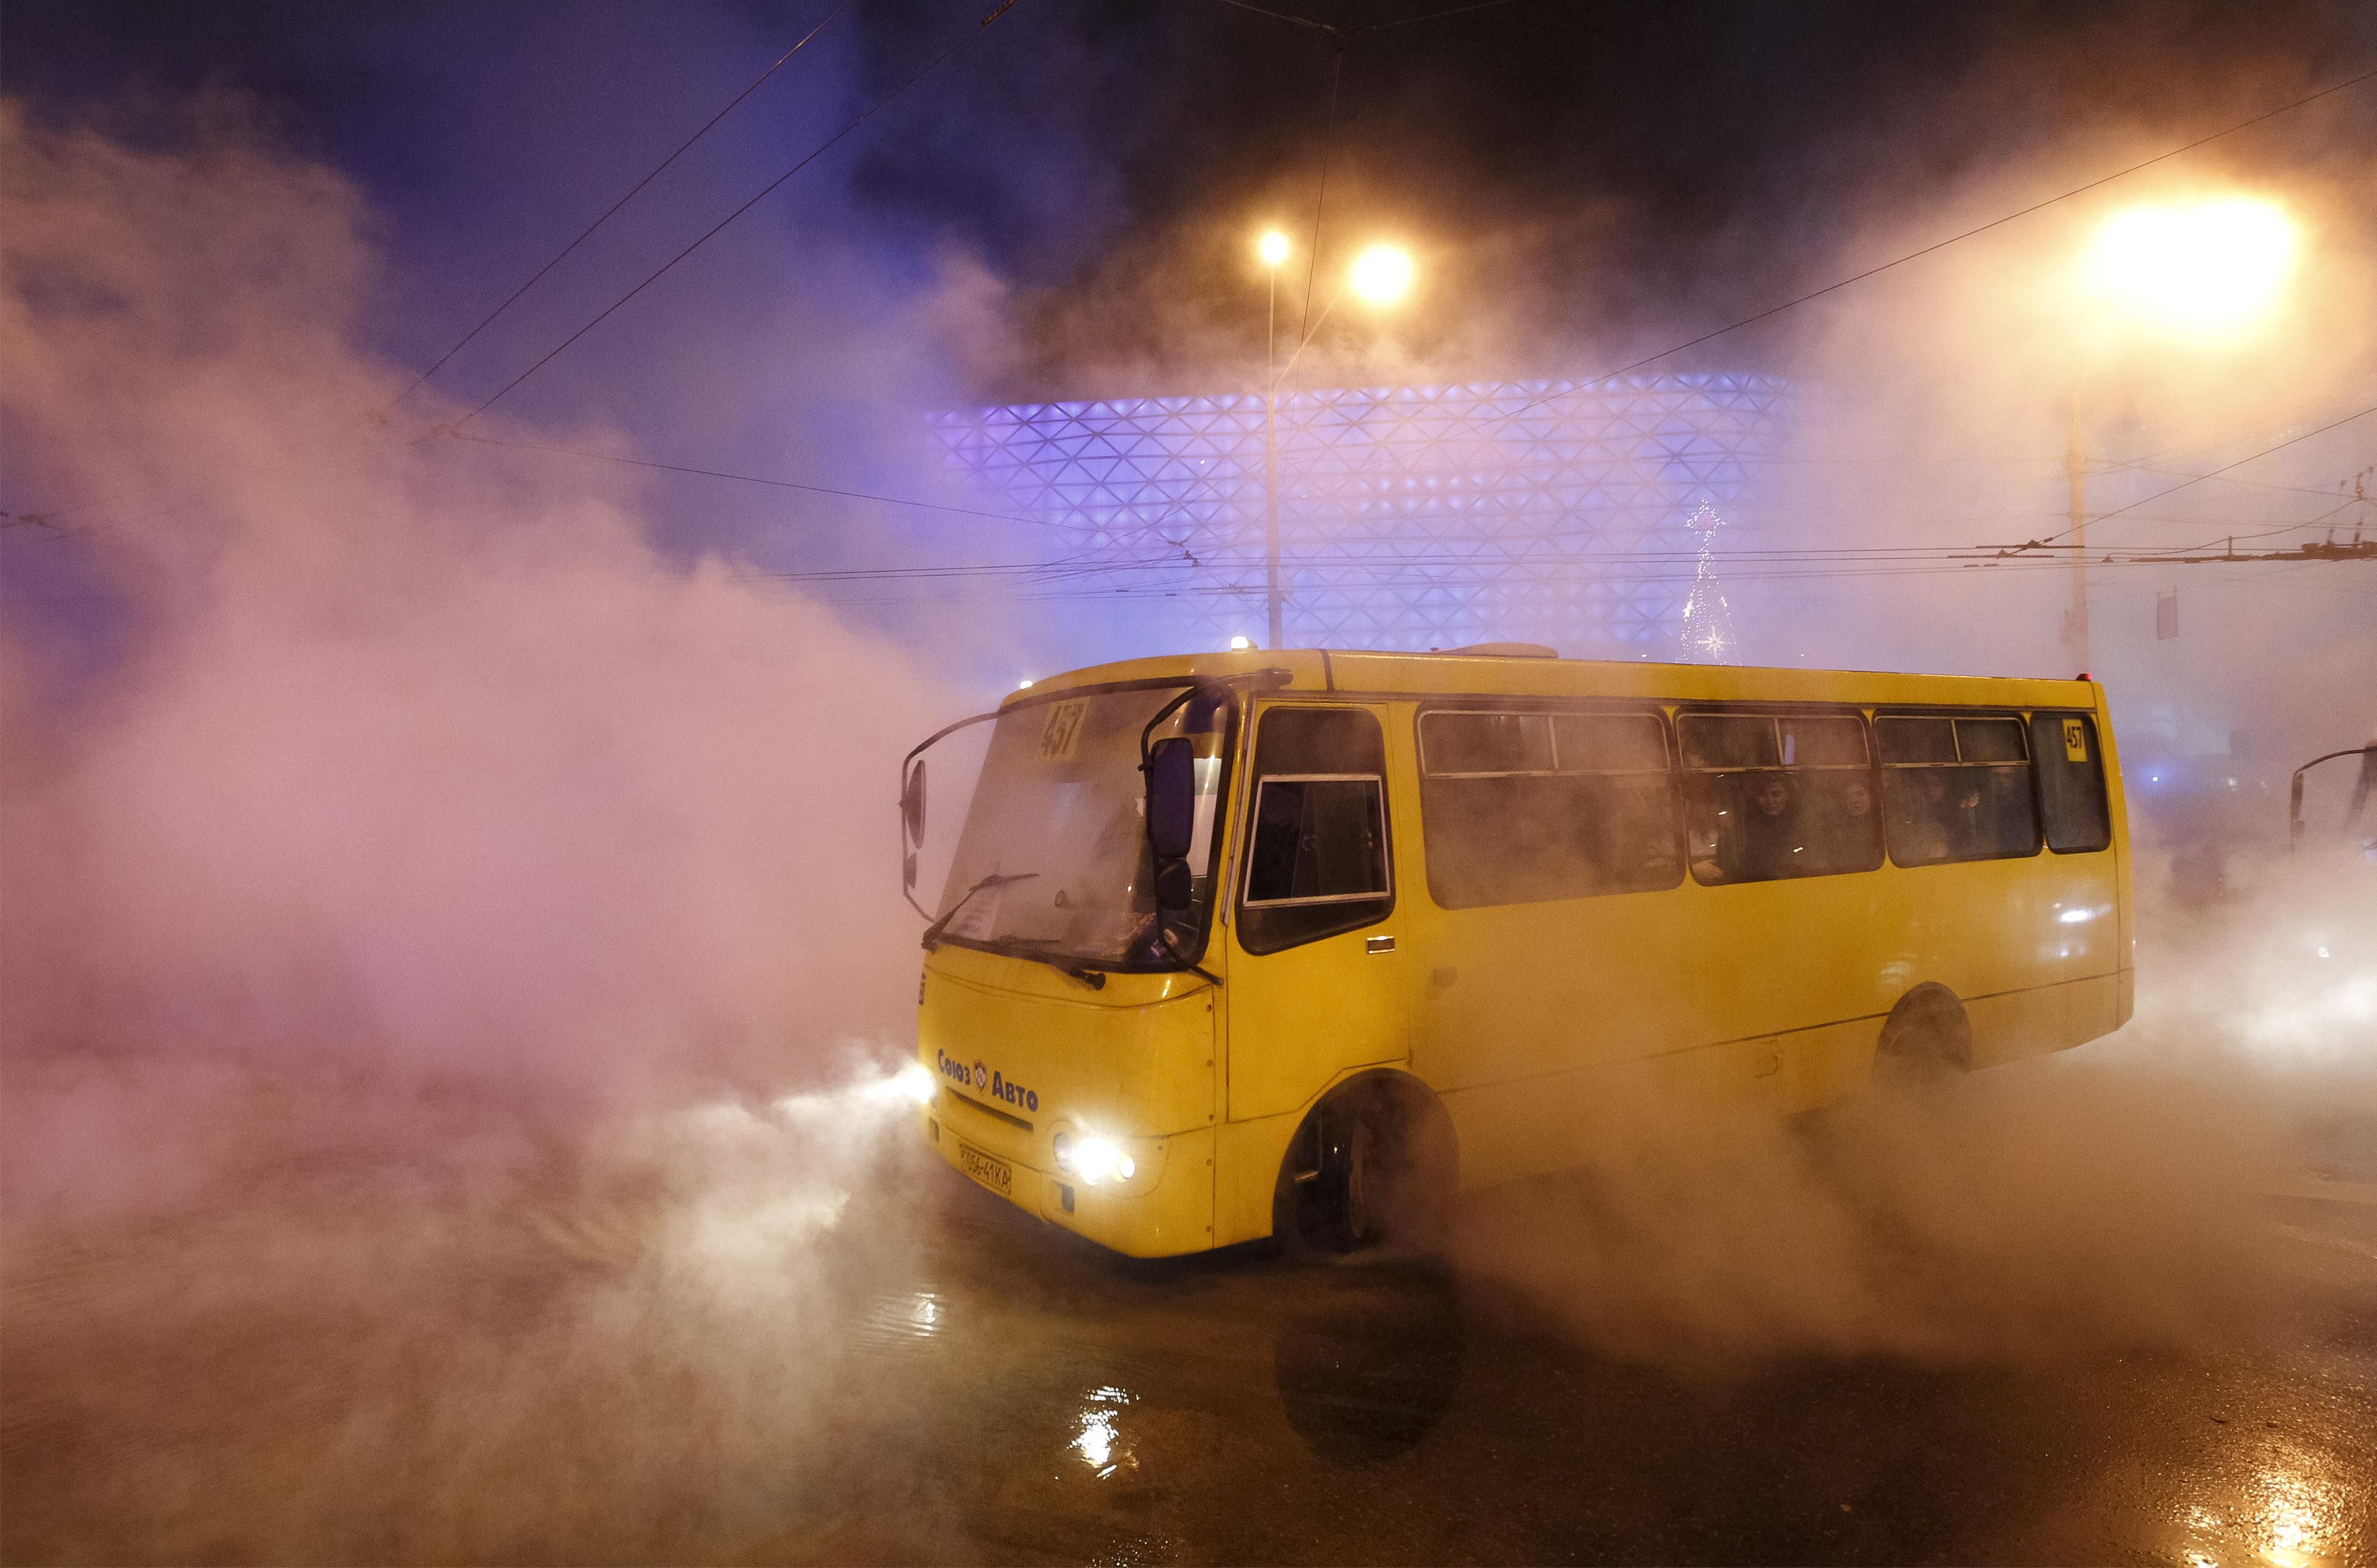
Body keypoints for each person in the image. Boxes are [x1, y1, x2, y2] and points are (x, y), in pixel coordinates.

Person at [1723, 771, 1804, 882]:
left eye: (1776, 794)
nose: (1770, 801)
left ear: (1788, 795)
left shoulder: (1801, 824)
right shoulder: (1743, 828)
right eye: (1762, 795)